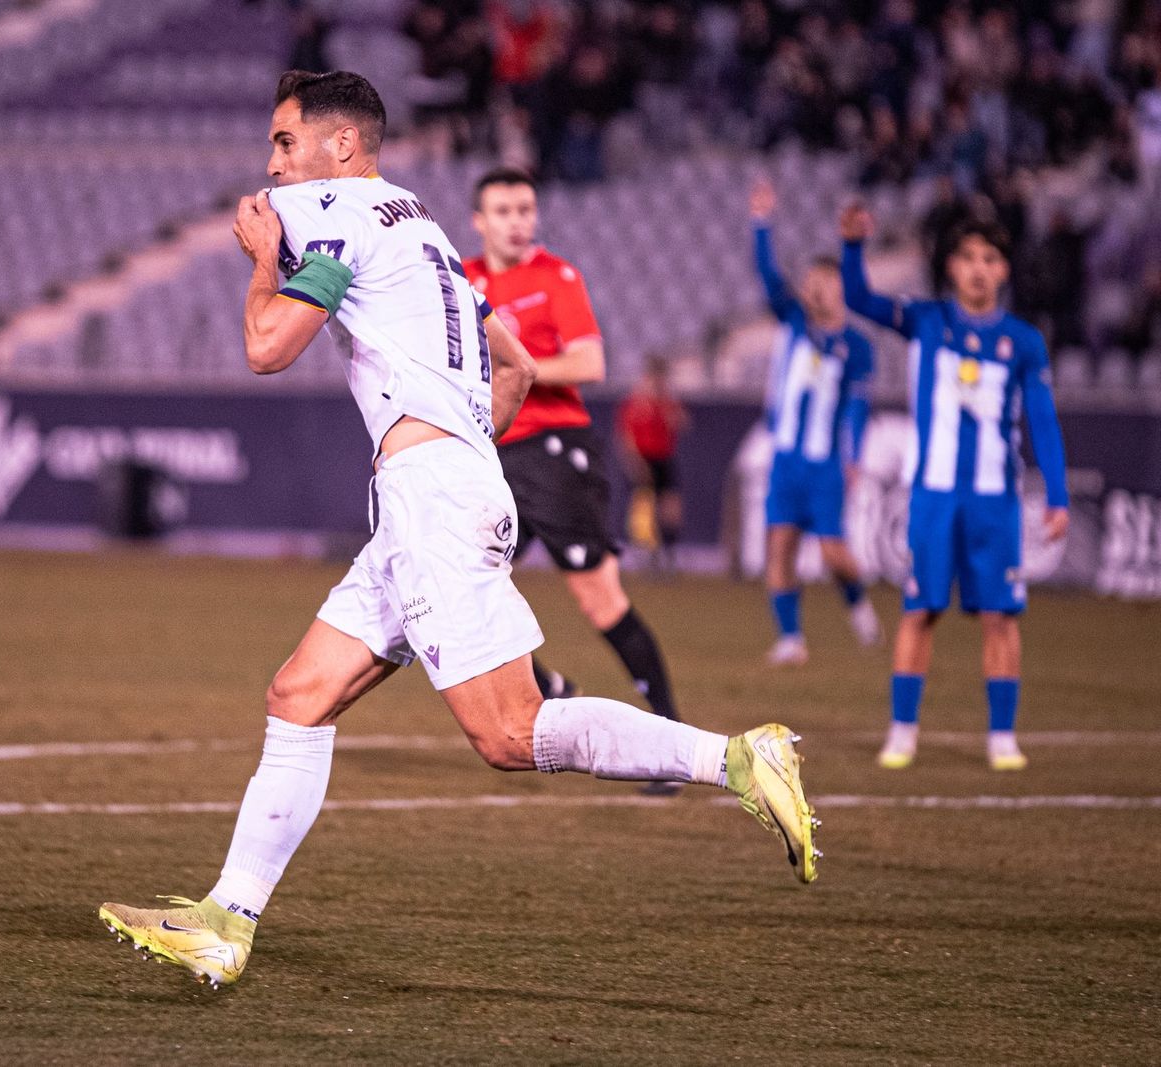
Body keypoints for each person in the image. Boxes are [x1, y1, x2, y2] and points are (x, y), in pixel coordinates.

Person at [97, 70, 819, 990]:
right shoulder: (425, 228)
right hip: (439, 490)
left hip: (431, 499)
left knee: (510, 733)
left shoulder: (331, 210)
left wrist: (262, 255)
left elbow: (266, 347)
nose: (272, 164)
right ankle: (225, 920)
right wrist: (464, 457)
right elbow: (512, 367)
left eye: (285, 142)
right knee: (299, 694)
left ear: (342, 147)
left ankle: (733, 759)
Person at [462, 168, 685, 777]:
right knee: (465, 588)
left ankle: (669, 742)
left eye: (525, 209)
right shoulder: (461, 278)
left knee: (601, 602)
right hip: (493, 455)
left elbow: (590, 359)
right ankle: (553, 689)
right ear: (479, 222)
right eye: (503, 211)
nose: (517, 221)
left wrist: (515, 368)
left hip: (556, 453)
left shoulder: (555, 276)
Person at [840, 204, 1069, 771]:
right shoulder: (926, 320)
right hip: (934, 497)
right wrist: (851, 248)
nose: (978, 268)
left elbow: (1042, 420)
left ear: (1005, 271)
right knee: (921, 609)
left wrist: (1059, 495)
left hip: (995, 501)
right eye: (968, 257)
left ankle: (1001, 738)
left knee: (1001, 617)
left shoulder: (1024, 342)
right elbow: (860, 300)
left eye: (990, 259)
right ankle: (902, 732)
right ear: (950, 265)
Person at [749, 178, 882, 666]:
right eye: (807, 283)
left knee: (832, 552)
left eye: (820, 283)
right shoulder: (792, 321)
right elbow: (766, 274)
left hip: (826, 463)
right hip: (787, 459)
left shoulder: (859, 347)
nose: (810, 290)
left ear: (839, 287)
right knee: (779, 546)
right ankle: (791, 639)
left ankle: (859, 604)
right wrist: (761, 221)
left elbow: (859, 406)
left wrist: (853, 456)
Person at [617, 357, 688, 573]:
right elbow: (626, 435)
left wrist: (667, 410)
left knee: (670, 508)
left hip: (664, 458)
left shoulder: (667, 402)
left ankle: (669, 553)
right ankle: (645, 555)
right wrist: (635, 462)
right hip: (644, 458)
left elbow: (682, 424)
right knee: (643, 507)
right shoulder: (636, 402)